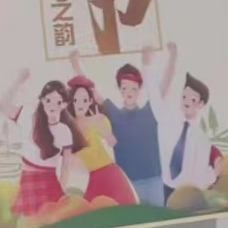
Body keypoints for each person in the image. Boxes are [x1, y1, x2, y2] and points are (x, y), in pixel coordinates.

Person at [71, 44, 177, 206]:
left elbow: (165, 86)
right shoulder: (114, 113)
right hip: (128, 184)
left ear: (139, 89)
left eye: (133, 88)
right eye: (125, 88)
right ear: (119, 89)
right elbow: (92, 90)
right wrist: (76, 63)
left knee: (157, 218)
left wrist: (173, 55)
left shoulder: (151, 110)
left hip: (154, 180)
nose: (129, 92)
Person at [0, 69, 85, 217]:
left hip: (50, 183)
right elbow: (3, 106)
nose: (52, 105)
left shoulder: (64, 131)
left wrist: (62, 189)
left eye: (58, 102)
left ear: (64, 105)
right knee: (30, 221)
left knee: (52, 220)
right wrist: (18, 81)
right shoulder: (27, 116)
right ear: (42, 100)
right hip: (29, 181)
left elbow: (66, 166)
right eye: (48, 100)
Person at [143, 52, 219, 201]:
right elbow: (155, 97)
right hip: (160, 187)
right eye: (184, 96)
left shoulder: (201, 139)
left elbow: (200, 174)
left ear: (201, 104)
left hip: (184, 194)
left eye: (193, 99)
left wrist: (212, 175)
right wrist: (148, 65)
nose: (187, 101)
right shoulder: (168, 120)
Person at [67, 75, 137, 205]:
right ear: (71, 102)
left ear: (90, 102)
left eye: (84, 100)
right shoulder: (69, 129)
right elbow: (72, 162)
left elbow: (112, 142)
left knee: (122, 209)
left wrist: (104, 129)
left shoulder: (97, 120)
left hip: (109, 173)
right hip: (93, 177)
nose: (80, 104)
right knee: (91, 210)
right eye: (76, 100)